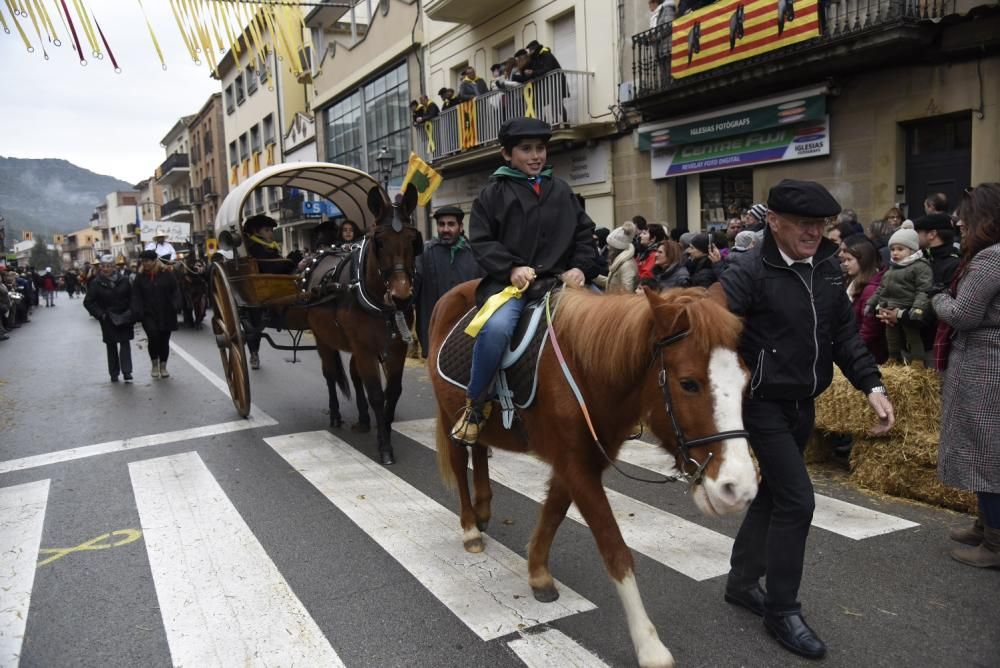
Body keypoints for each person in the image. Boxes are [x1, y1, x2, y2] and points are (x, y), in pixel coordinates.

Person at [719, 179, 894, 660]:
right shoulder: (748, 270)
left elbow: (843, 335)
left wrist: (872, 386)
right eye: (803, 223)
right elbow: (713, 329)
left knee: (775, 494)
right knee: (797, 501)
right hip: (763, 403)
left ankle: (740, 582)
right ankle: (782, 609)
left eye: (820, 224)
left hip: (803, 402)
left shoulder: (827, 270)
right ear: (773, 221)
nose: (813, 232)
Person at [454, 117, 599, 444]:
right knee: (496, 330)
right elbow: (481, 240)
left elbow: (584, 233)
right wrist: (511, 268)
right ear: (507, 154)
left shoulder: (561, 189)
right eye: (526, 149)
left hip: (562, 283)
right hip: (511, 287)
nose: (536, 155)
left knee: (610, 320)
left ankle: (614, 396)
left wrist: (581, 268)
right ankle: (476, 404)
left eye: (540, 148)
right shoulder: (491, 194)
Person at [930, 183, 1000, 568]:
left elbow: (962, 314)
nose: (958, 222)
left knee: (986, 455)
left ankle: (995, 543)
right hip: (986, 364)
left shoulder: (991, 258)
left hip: (985, 367)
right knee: (986, 451)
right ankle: (986, 525)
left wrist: (937, 296)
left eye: (964, 216)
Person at [876, 213, 961, 369]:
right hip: (906, 340)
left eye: (917, 232)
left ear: (932, 234)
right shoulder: (915, 259)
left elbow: (935, 307)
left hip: (931, 347)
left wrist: (900, 315)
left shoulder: (951, 264)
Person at [413, 205, 484, 357]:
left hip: (467, 331)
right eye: (441, 224)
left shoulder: (476, 254)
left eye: (451, 224)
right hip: (434, 330)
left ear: (460, 226)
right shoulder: (424, 254)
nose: (445, 229)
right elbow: (412, 288)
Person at [865, 226, 932, 366]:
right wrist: (871, 303)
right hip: (889, 307)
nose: (895, 253)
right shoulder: (892, 268)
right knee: (891, 336)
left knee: (912, 335)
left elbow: (923, 289)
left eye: (900, 249)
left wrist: (918, 307)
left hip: (907, 307)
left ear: (912, 250)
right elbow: (881, 289)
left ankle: (918, 360)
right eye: (893, 249)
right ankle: (893, 358)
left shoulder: (920, 266)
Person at [243, 214, 295, 369]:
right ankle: (254, 353)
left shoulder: (269, 246)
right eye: (267, 230)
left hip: (277, 286)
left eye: (271, 230)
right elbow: (270, 267)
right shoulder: (254, 247)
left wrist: (290, 262)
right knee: (255, 324)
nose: (271, 233)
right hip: (259, 290)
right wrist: (290, 262)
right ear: (256, 231)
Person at [84, 254, 135, 383]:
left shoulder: (124, 280)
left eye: (108, 266)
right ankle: (114, 373)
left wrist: (131, 312)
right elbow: (89, 302)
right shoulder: (96, 283)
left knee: (125, 343)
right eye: (103, 266)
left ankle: (127, 372)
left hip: (124, 316)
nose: (105, 269)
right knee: (111, 345)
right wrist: (101, 314)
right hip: (107, 318)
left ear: (114, 267)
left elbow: (132, 297)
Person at [131, 250, 181, 379]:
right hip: (149, 313)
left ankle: (163, 366)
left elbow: (175, 290)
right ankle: (154, 364)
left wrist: (176, 305)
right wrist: (138, 311)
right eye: (143, 261)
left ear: (154, 261)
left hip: (166, 312)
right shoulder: (140, 277)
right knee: (153, 336)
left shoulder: (167, 274)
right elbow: (136, 295)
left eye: (147, 261)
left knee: (164, 340)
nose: (145, 264)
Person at [842, 235, 886, 363]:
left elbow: (869, 329)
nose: (845, 264)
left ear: (863, 261)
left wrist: (850, 350)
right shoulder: (854, 282)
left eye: (849, 260)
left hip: (867, 355)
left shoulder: (870, 290)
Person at [594, 222, 637, 293]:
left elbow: (627, 293)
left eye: (610, 245)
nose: (608, 247)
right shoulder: (620, 262)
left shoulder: (627, 266)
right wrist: (592, 276)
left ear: (616, 248)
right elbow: (611, 283)